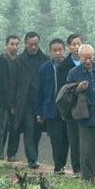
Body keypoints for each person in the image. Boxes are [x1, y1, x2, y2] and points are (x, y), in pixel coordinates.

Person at [66, 44, 95, 183]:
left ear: (94, 55)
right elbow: (67, 95)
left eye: (90, 58)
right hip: (86, 115)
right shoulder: (73, 73)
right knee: (87, 150)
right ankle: (87, 180)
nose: (87, 61)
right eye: (84, 59)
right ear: (79, 58)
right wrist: (77, 89)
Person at [10, 32, 50, 168]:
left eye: (36, 44)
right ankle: (32, 159)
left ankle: (34, 156)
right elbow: (13, 83)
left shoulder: (45, 60)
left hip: (40, 101)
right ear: (26, 44)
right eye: (31, 44)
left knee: (37, 131)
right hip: (25, 102)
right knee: (29, 129)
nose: (33, 47)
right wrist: (13, 103)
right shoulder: (19, 61)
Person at [37, 38, 70, 173]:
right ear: (50, 52)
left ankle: (62, 163)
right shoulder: (45, 68)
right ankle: (58, 166)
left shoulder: (70, 66)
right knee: (55, 139)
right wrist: (39, 111)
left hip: (67, 110)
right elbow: (40, 90)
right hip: (51, 109)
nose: (57, 53)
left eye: (60, 50)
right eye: (54, 51)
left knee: (66, 139)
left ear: (64, 50)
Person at [62, 33, 84, 175]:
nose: (77, 47)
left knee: (90, 139)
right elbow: (63, 90)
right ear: (69, 47)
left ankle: (91, 166)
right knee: (74, 139)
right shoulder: (64, 66)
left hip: (88, 108)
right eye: (74, 44)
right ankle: (77, 168)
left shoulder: (89, 63)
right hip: (72, 107)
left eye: (79, 44)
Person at [2, 35, 21, 159]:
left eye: (16, 44)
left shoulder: (21, 60)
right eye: (11, 44)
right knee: (2, 127)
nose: (14, 47)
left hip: (17, 99)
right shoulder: (0, 60)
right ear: (6, 45)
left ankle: (12, 153)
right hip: (2, 98)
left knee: (16, 127)